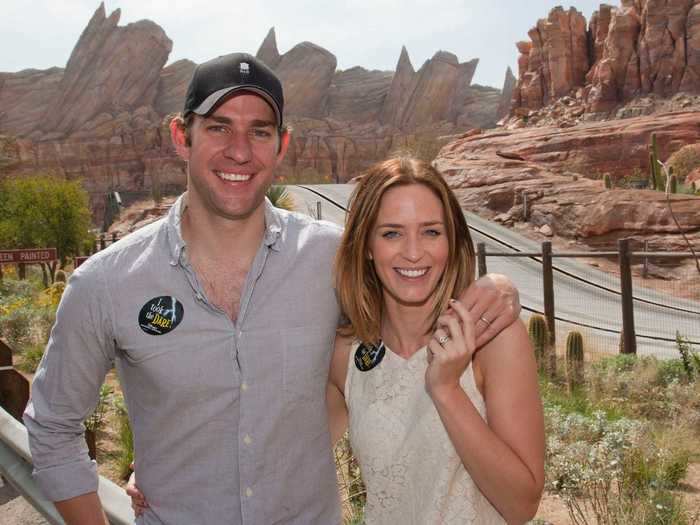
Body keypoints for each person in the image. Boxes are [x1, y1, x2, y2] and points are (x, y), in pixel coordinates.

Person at [24, 53, 521, 525]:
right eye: (219, 127)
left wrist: (496, 287)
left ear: (282, 145)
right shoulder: (106, 282)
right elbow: (51, 427)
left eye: (259, 131)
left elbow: (414, 290)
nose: (239, 150)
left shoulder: (334, 259)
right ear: (181, 136)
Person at [325, 157, 545, 524]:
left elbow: (521, 505)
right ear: (366, 246)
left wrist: (446, 389)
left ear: (452, 240)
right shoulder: (345, 355)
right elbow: (291, 463)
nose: (414, 252)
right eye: (391, 233)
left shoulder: (493, 340)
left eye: (431, 232)